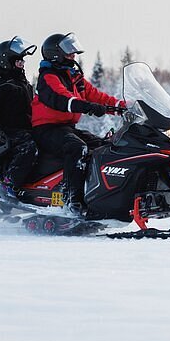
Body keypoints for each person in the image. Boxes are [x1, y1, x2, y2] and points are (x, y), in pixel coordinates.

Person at [31, 32, 125, 213]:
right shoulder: (48, 77)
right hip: (46, 129)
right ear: (56, 54)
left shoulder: (73, 76)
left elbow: (97, 95)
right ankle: (71, 199)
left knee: (104, 146)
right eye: (68, 53)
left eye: (73, 52)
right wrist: (88, 107)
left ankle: (97, 195)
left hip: (66, 128)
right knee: (77, 148)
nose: (73, 56)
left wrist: (121, 105)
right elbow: (63, 98)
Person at [0, 36, 38, 201]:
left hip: (25, 130)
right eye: (18, 61)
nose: (22, 64)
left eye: (22, 61)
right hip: (5, 134)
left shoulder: (24, 84)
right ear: (7, 61)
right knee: (30, 146)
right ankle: (8, 184)